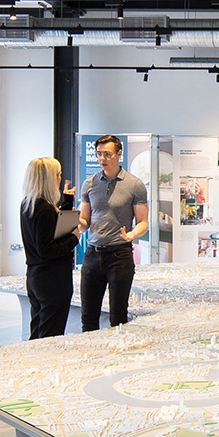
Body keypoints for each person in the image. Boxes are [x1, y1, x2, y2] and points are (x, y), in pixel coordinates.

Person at [77, 134, 148, 332]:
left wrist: (133, 234)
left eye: (107, 154)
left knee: (118, 317)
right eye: (99, 154)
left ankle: (117, 351)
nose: (102, 158)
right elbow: (84, 223)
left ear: (119, 154)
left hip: (120, 255)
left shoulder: (134, 185)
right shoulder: (89, 183)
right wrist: (73, 220)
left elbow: (143, 222)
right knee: (88, 317)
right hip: (92, 255)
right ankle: (91, 351)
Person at [18, 156, 77, 339]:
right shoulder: (45, 209)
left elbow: (53, 230)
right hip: (53, 279)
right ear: (49, 178)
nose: (60, 178)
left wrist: (67, 202)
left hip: (35, 276)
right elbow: (47, 250)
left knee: (38, 330)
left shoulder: (28, 204)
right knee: (51, 335)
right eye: (58, 175)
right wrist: (74, 239)